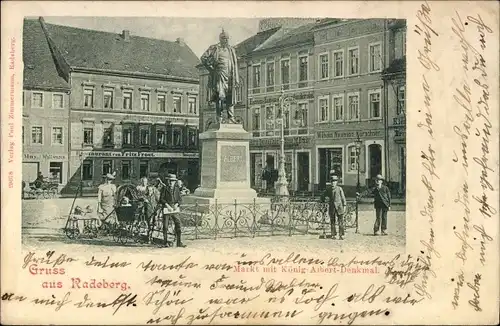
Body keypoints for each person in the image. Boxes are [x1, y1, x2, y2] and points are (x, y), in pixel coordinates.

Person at [200, 28, 239, 124]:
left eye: (227, 38)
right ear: (220, 39)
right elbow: (203, 58)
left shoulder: (231, 50)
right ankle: (219, 117)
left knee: (230, 96)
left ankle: (231, 117)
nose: (226, 40)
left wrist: (236, 78)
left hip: (230, 76)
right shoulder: (214, 48)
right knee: (220, 96)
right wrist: (211, 68)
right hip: (219, 75)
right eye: (224, 38)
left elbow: (235, 64)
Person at [159, 174, 185, 247]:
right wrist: (167, 205)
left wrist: (177, 204)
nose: (171, 183)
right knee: (165, 226)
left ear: (175, 182)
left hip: (174, 209)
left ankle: (179, 242)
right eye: (170, 181)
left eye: (173, 181)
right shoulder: (164, 188)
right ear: (168, 181)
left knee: (178, 224)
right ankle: (165, 242)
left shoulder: (176, 189)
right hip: (167, 208)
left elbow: (180, 199)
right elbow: (161, 199)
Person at [321, 171, 347, 240]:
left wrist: (344, 206)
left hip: (339, 207)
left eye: (334, 181)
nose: (333, 183)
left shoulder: (339, 189)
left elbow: (343, 198)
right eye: (332, 181)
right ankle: (333, 234)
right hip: (332, 208)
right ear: (330, 182)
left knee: (340, 222)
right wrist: (323, 200)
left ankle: (341, 235)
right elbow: (323, 196)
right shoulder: (328, 189)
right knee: (332, 222)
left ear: (337, 182)